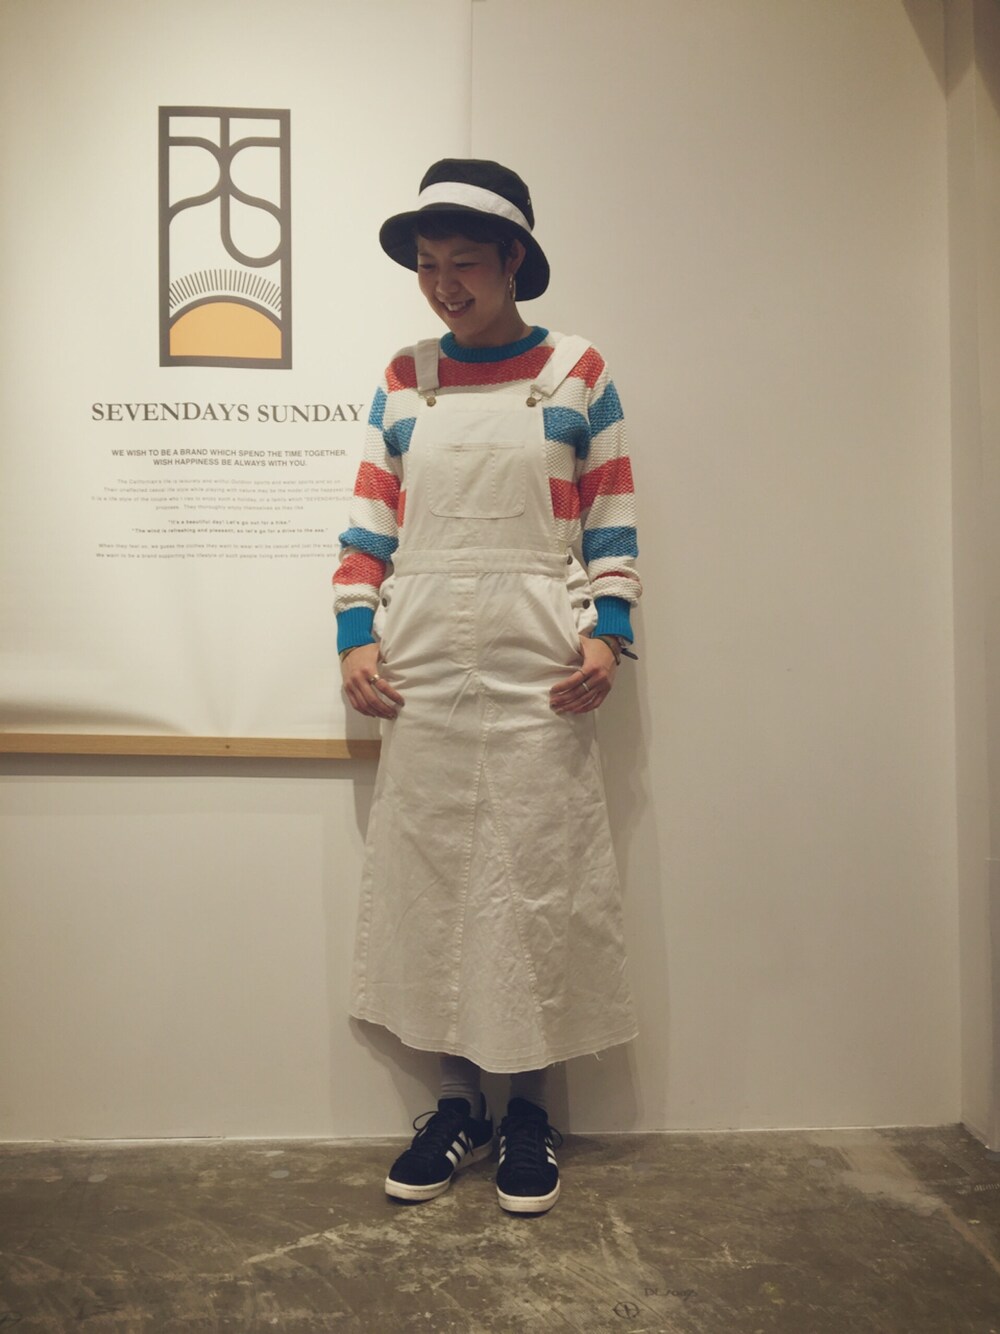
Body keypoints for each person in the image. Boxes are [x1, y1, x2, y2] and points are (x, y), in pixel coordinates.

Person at [334, 159, 641, 1215]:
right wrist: (354, 634)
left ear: (514, 259)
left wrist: (609, 629)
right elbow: (369, 521)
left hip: (538, 655)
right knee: (433, 880)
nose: (444, 285)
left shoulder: (577, 370)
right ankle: (456, 1104)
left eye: (464, 262)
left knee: (535, 876)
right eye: (429, 265)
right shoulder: (403, 375)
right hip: (420, 657)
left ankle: (529, 1112)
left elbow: (611, 512)